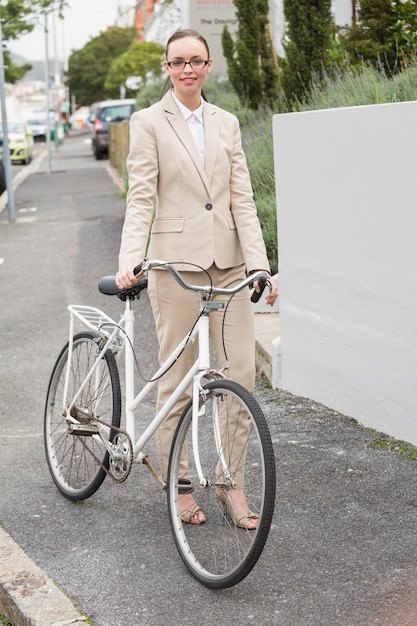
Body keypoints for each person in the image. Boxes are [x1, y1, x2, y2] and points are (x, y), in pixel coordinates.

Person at [116, 28, 278, 528]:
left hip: (229, 265)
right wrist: (131, 257)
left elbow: (242, 199)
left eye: (197, 61)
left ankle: (232, 484)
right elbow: (141, 195)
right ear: (167, 68)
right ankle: (179, 485)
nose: (188, 69)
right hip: (176, 267)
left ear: (209, 67)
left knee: (239, 378)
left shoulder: (227, 122)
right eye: (178, 61)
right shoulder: (148, 122)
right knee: (178, 382)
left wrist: (259, 263)